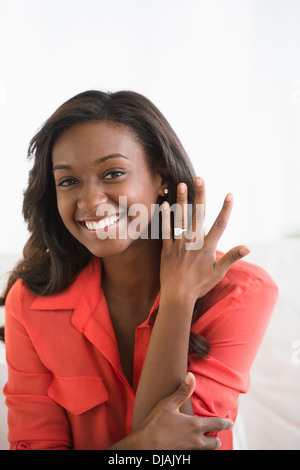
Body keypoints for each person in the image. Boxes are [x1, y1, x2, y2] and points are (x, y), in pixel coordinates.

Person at [1, 90, 278, 450]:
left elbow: (181, 451)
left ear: (160, 176)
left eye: (113, 173)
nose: (90, 202)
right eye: (68, 182)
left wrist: (178, 298)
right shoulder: (32, 300)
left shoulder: (241, 291)